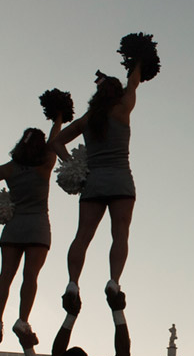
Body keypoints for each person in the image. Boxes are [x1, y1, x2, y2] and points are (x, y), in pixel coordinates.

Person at [55, 65, 142, 310]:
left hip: (93, 182)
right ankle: (114, 281)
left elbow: (57, 142)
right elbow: (133, 82)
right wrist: (137, 61)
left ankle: (73, 282)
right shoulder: (123, 108)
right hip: (121, 181)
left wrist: (73, 165)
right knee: (120, 233)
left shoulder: (87, 119)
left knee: (82, 235)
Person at [0, 122, 63, 346]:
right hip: (38, 226)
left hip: (14, 226)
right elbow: (55, 141)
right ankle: (22, 320)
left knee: (5, 274)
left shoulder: (9, 168)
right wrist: (58, 119)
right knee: (30, 276)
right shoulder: (46, 163)